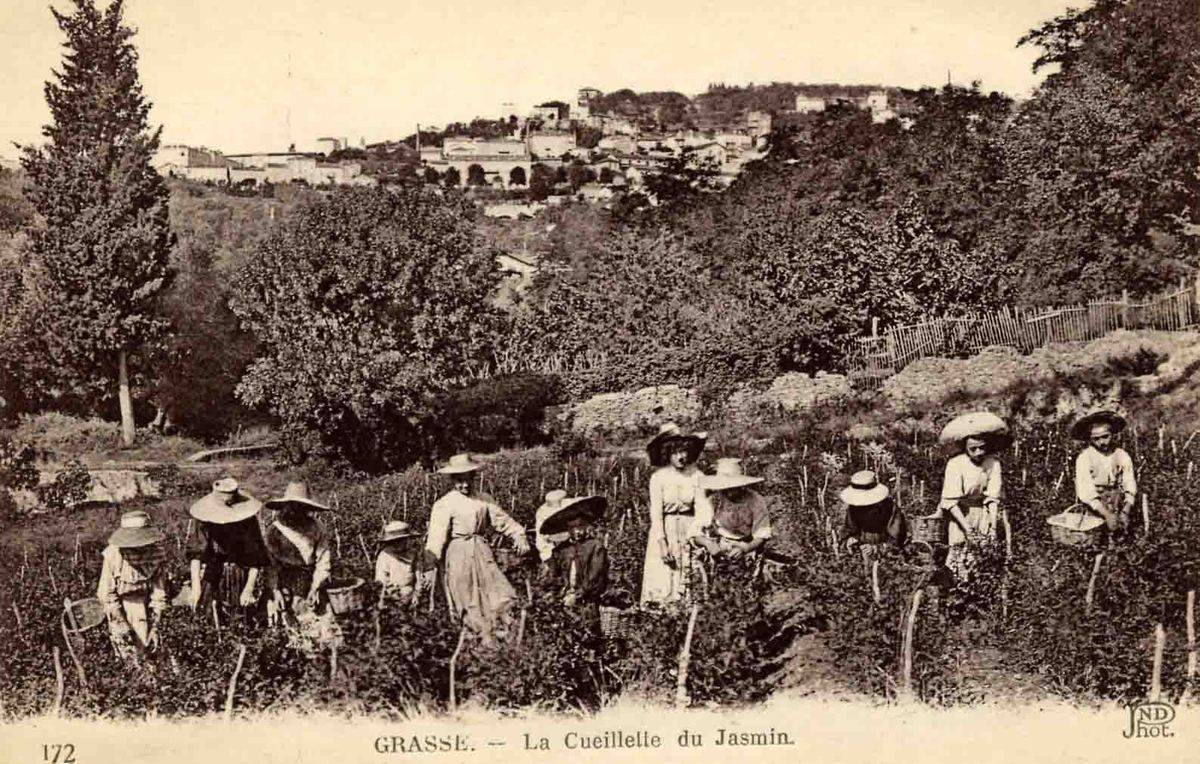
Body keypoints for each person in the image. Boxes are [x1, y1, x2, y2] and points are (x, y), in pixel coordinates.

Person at [422, 453, 531, 645]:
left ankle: (505, 636)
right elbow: (436, 537)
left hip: (482, 551)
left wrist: (519, 535)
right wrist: (430, 566)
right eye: (459, 481)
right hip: (458, 554)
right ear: (453, 480)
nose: (464, 485)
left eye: (467, 480)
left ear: (473, 478)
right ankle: (475, 641)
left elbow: (503, 521)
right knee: (466, 596)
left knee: (498, 592)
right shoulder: (445, 504)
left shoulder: (483, 499)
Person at [640, 422, 711, 607]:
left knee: (690, 574)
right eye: (675, 452)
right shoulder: (659, 478)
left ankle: (689, 617)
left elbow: (703, 509)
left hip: (690, 528)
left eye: (684, 451)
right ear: (667, 453)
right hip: (665, 530)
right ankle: (662, 620)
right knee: (663, 577)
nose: (681, 457)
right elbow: (656, 514)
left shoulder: (697, 476)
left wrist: (698, 535)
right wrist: (663, 544)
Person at [937, 412, 1008, 581]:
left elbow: (993, 497)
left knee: (983, 553)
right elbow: (951, 501)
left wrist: (992, 526)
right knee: (959, 554)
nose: (978, 452)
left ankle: (980, 592)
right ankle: (957, 592)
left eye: (982, 447)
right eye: (973, 449)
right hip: (960, 513)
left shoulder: (993, 463)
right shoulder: (955, 464)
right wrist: (967, 529)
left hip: (982, 513)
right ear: (965, 448)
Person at [187, 478, 271, 618]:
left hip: (239, 573)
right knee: (208, 617)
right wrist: (196, 587)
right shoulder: (203, 520)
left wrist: (249, 588)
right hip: (212, 573)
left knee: (240, 617)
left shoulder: (248, 521)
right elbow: (196, 556)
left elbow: (256, 558)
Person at [97, 509, 169, 662]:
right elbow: (107, 595)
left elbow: (159, 593)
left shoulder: (156, 554)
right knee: (128, 650)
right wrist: (121, 622)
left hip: (146, 604)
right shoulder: (113, 555)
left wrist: (156, 624)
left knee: (152, 647)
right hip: (122, 605)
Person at [262, 481, 333, 626]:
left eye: (300, 506)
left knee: (318, 626)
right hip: (282, 583)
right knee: (283, 625)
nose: (295, 510)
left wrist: (315, 587)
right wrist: (275, 591)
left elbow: (323, 561)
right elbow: (270, 564)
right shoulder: (275, 530)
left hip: (309, 581)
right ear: (285, 506)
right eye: (292, 506)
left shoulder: (317, 528)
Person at [541, 495, 609, 631]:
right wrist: (551, 592)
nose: (577, 531)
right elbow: (553, 576)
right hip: (563, 599)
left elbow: (595, 578)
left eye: (580, 526)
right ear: (567, 529)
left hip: (587, 600)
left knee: (586, 629)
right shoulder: (560, 550)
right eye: (572, 527)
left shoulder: (595, 547)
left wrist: (577, 595)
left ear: (586, 525)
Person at [1071, 410, 1137, 540]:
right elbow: (1086, 491)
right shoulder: (1085, 458)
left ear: (1112, 435)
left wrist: (1126, 510)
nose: (1102, 442)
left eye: (1105, 436)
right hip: (1094, 507)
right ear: (1090, 439)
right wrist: (1106, 514)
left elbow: (1129, 482)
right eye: (1096, 439)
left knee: (1123, 538)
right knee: (1096, 541)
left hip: (1119, 503)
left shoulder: (1122, 455)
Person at [694, 458, 773, 564]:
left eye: (733, 488)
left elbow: (762, 532)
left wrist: (746, 548)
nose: (729, 493)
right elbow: (696, 532)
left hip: (747, 546)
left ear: (741, 485)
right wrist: (709, 544)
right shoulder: (714, 500)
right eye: (725, 489)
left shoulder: (755, 500)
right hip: (721, 546)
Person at [839, 469, 907, 567]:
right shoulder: (854, 507)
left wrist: (876, 549)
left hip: (887, 557)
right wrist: (849, 541)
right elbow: (849, 530)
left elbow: (897, 538)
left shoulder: (889, 508)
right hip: (860, 555)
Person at [376, 520, 421, 608]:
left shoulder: (413, 553)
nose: (399, 544)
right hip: (391, 594)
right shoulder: (385, 555)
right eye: (395, 541)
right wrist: (393, 594)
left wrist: (417, 593)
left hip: (410, 593)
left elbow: (418, 575)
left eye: (402, 541)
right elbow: (382, 580)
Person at [534, 489, 569, 575]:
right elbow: (549, 537)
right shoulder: (544, 519)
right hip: (548, 552)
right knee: (554, 575)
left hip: (557, 551)